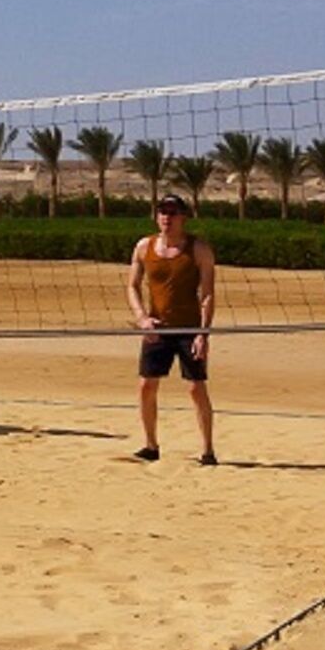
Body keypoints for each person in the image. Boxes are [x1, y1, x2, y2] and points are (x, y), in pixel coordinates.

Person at [126, 192, 217, 464]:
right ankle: (151, 446)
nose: (166, 217)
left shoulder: (199, 249)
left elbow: (208, 294)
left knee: (195, 388)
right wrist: (142, 318)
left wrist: (203, 334)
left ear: (183, 217)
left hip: (189, 328)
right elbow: (131, 286)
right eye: (162, 211)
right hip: (158, 328)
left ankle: (208, 450)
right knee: (146, 386)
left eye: (172, 212)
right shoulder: (144, 246)